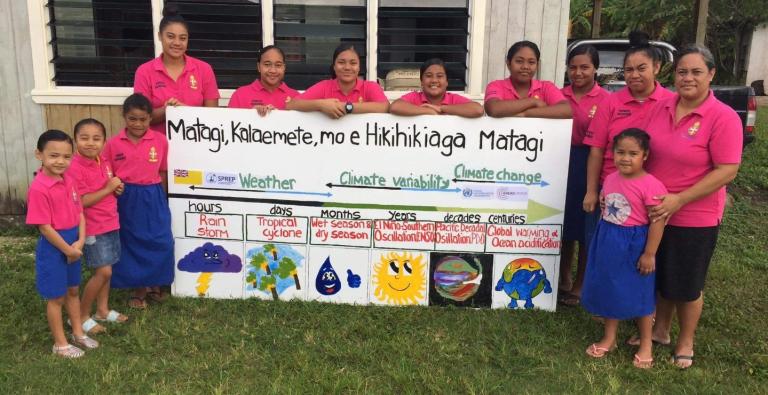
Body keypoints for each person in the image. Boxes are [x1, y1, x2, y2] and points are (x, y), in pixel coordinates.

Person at [635, 44, 743, 369]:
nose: (688, 78)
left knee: (687, 282)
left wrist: (679, 199)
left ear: (711, 74)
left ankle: (686, 340)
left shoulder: (722, 117)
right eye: (682, 71)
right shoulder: (663, 106)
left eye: (696, 71)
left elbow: (727, 169)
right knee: (662, 273)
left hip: (694, 215)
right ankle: (662, 330)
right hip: (656, 210)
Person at [581, 128, 667, 369]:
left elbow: (658, 221)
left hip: (635, 244)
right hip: (608, 239)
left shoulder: (651, 185)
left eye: (633, 153)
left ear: (645, 156)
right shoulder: (610, 178)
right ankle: (610, 338)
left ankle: (646, 343)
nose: (625, 158)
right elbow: (609, 202)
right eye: (620, 152)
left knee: (640, 291)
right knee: (610, 287)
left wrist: (649, 253)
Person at [582, 31, 674, 249]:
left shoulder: (671, 102)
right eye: (629, 70)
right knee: (604, 247)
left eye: (642, 68)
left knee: (642, 250)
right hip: (611, 190)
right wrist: (592, 191)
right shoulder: (611, 102)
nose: (634, 75)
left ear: (657, 67)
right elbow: (596, 150)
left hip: (650, 195)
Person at [26, 129, 99, 358]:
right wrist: (68, 249)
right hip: (54, 247)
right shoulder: (39, 188)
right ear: (39, 155)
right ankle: (60, 344)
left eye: (66, 156)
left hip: (73, 243)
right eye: (54, 155)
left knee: (73, 290)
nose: (60, 161)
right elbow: (44, 227)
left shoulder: (69, 180)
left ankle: (78, 332)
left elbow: (80, 213)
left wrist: (79, 241)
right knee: (56, 297)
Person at [102, 94, 173, 309]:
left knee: (159, 239)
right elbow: (107, 174)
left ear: (151, 118)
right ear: (124, 117)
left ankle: (155, 282)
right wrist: (115, 187)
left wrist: (162, 197)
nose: (138, 124)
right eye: (133, 119)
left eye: (143, 119)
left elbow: (162, 172)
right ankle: (138, 287)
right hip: (126, 197)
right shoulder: (113, 144)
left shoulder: (160, 141)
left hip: (153, 194)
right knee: (132, 241)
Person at [558, 45, 611, 306]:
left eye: (584, 67)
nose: (578, 72)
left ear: (595, 69)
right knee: (564, 223)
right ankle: (563, 278)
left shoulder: (606, 100)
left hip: (591, 164)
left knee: (587, 227)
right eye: (573, 67)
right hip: (558, 164)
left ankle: (581, 284)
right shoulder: (557, 95)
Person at [68, 119, 128, 335]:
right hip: (92, 226)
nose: (90, 143)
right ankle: (81, 315)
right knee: (102, 271)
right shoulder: (74, 167)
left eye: (96, 138)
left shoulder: (103, 161)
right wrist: (108, 188)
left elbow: (107, 187)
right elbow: (81, 201)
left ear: (104, 141)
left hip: (111, 221)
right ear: (75, 140)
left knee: (108, 268)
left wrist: (115, 189)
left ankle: (102, 310)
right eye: (84, 138)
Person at [133, 5, 220, 133]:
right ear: (159, 36)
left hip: (197, 145)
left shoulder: (204, 69)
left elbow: (212, 116)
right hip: (157, 148)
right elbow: (139, 118)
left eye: (183, 38)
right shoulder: (144, 71)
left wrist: (185, 111)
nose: (177, 43)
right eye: (170, 36)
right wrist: (167, 110)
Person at [286, 44, 389, 118]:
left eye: (353, 63)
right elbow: (291, 105)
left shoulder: (370, 87)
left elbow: (385, 107)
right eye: (341, 62)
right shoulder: (324, 87)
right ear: (334, 66)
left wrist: (347, 107)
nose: (347, 67)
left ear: (359, 68)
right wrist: (321, 105)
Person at [484, 40, 571, 118]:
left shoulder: (546, 87)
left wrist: (526, 114)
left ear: (537, 65)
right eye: (519, 61)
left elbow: (567, 110)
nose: (525, 67)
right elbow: (493, 109)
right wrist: (533, 102)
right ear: (508, 63)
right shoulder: (496, 86)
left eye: (531, 62)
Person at [389, 58, 483, 118]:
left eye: (439, 76)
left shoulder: (453, 99)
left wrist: (441, 109)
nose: (434, 80)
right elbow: (395, 106)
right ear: (421, 81)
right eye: (429, 76)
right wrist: (429, 111)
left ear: (447, 82)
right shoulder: (414, 97)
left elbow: (478, 110)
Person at [228, 45, 299, 116]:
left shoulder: (296, 97)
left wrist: (281, 116)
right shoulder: (240, 95)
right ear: (259, 67)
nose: (273, 70)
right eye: (267, 64)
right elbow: (230, 123)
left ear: (284, 67)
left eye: (278, 65)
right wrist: (251, 114)